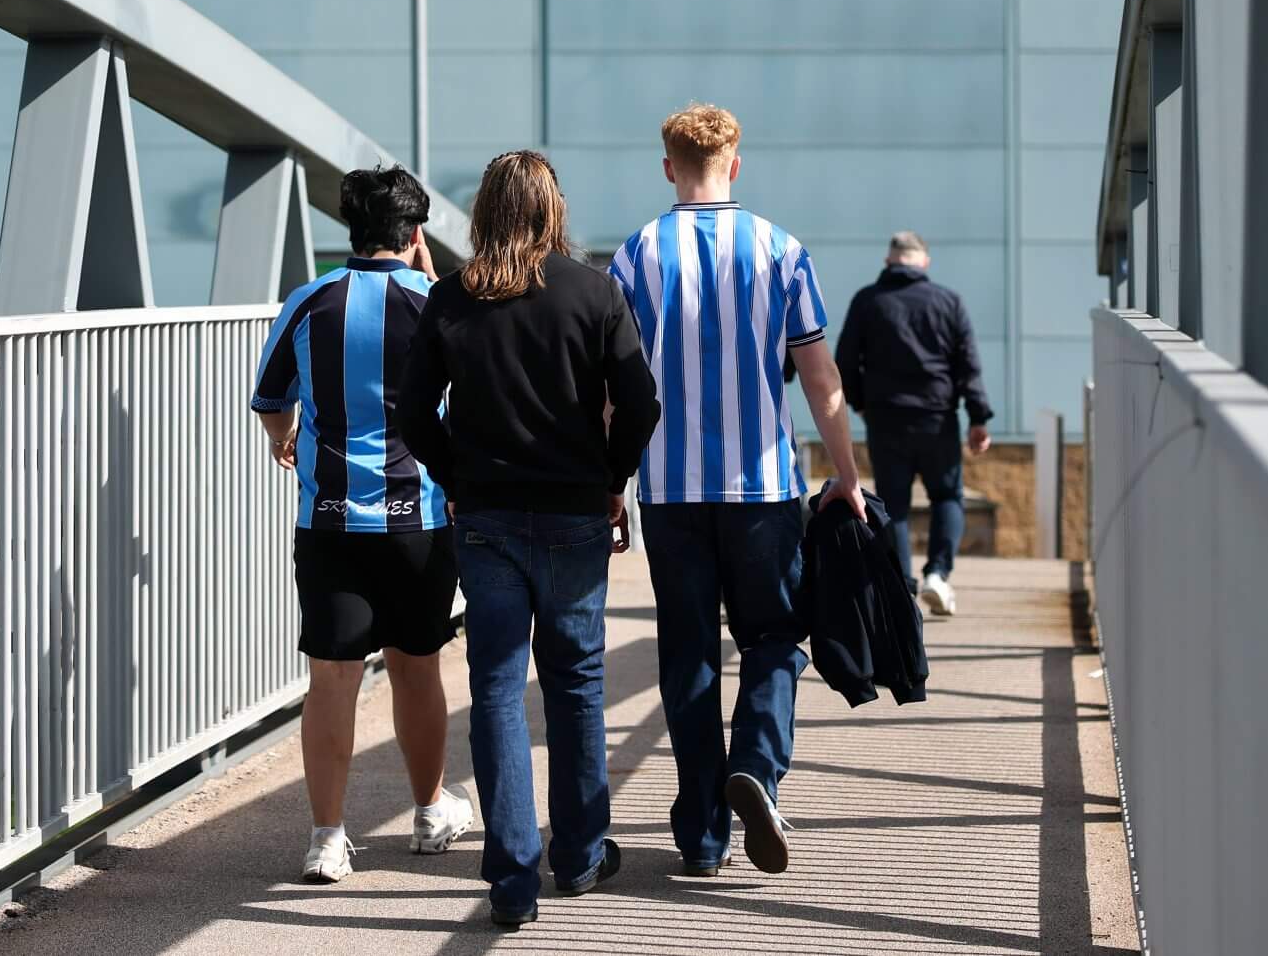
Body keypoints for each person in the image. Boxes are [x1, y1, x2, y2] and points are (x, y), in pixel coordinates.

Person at [399, 150, 661, 928]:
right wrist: (612, 477)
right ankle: (578, 856)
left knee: (496, 689)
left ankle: (513, 882)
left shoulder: (451, 298)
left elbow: (412, 413)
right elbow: (641, 402)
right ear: (552, 209)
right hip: (575, 514)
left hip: (486, 520)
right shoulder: (594, 291)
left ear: (484, 212)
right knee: (576, 683)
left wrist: (455, 476)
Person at [610, 102, 866, 880]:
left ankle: (702, 835)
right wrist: (848, 474)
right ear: (736, 163)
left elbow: (613, 389)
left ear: (668, 167)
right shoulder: (781, 249)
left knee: (688, 654)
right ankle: (755, 761)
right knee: (775, 637)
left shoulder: (635, 254)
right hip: (762, 488)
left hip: (669, 488)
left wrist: (611, 480)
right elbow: (820, 377)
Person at [251, 164, 473, 884]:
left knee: (332, 677)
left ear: (351, 227)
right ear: (415, 234)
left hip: (330, 522)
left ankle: (326, 838)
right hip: (419, 520)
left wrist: (285, 439)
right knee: (417, 668)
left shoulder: (310, 300)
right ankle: (430, 811)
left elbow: (271, 399)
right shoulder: (436, 301)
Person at [835, 230, 994, 619]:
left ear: (889, 261)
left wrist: (861, 406)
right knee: (947, 496)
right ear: (924, 262)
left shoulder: (868, 301)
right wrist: (977, 417)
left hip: (886, 418)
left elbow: (845, 363)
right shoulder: (948, 302)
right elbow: (967, 365)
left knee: (894, 506)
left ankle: (903, 589)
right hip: (937, 419)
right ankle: (937, 574)